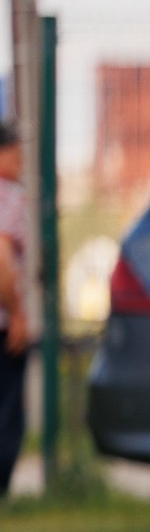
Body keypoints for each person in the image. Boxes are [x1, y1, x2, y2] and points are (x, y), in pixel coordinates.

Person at [0, 125, 31, 498]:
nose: (21, 162)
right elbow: (3, 259)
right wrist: (19, 313)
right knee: (7, 413)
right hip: (4, 323)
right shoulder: (9, 197)